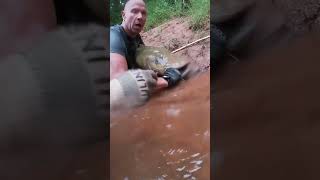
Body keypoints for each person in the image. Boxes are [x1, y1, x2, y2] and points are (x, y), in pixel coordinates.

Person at [110, 0, 184, 107]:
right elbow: (121, 84)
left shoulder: (136, 37)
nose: (140, 16)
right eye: (134, 11)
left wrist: (168, 69)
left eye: (143, 13)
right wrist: (166, 81)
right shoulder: (113, 36)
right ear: (123, 15)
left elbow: (148, 63)